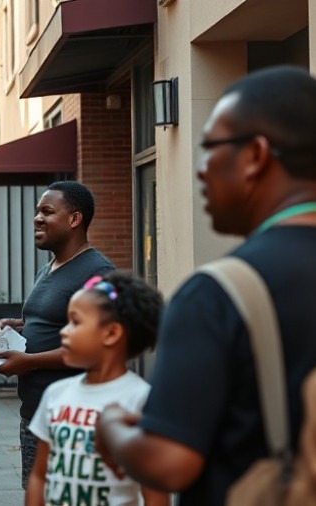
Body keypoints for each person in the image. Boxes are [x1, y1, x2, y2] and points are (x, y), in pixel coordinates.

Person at [96, 67, 316, 505]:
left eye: (210, 147)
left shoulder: (217, 294)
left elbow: (167, 461)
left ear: (255, 155)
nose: (200, 169)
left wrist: (113, 429)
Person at [0, 180, 115, 489]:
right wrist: (17, 325)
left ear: (75, 219)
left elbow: (96, 348)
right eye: (37, 211)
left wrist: (29, 361)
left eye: (47, 211)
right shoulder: (46, 270)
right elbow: (52, 321)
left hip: (73, 422)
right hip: (34, 415)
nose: (37, 218)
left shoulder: (98, 274)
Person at [26, 272, 168, 506]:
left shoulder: (141, 399)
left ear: (111, 333)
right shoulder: (56, 394)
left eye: (75, 322)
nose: (64, 331)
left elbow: (154, 492)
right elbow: (39, 475)